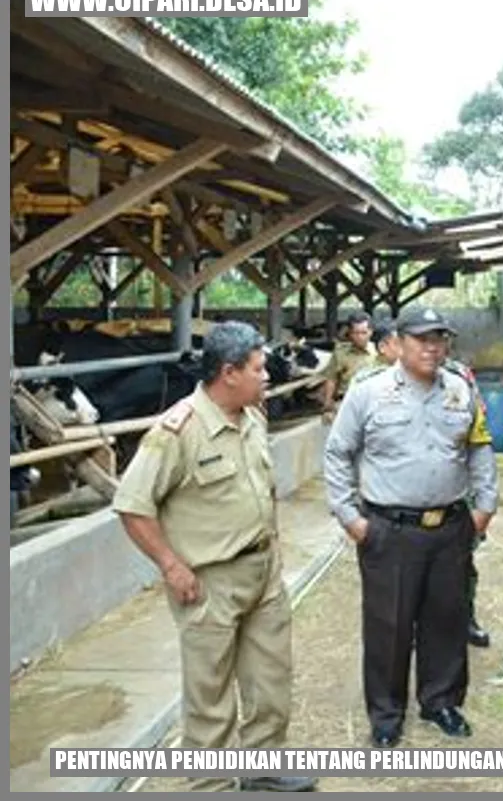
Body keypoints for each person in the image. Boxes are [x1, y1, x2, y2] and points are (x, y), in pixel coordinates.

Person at [112, 322, 316, 792]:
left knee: (271, 678)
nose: (267, 377)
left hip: (262, 571)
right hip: (209, 580)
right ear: (229, 373)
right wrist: (170, 564)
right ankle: (212, 784)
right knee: (210, 691)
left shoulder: (252, 417)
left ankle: (263, 765)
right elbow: (132, 504)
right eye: (259, 368)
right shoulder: (177, 430)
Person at [323, 307, 498, 748]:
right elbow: (338, 453)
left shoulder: (459, 390)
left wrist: (485, 506)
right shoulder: (369, 392)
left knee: (447, 619)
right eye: (422, 339)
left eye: (440, 339)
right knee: (389, 625)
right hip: (389, 530)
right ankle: (386, 715)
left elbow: (479, 449)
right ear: (398, 343)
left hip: (451, 527)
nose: (433, 347)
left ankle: (440, 701)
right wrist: (351, 518)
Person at [440, 347, 494, 649]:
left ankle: (465, 617)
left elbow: (479, 429)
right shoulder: (390, 380)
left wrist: (483, 498)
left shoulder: (460, 375)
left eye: (441, 338)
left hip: (458, 486)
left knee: (463, 558)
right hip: (412, 492)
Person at [320, 311, 377, 421]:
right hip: (346, 403)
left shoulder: (379, 352)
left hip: (373, 404)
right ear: (350, 333)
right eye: (356, 333)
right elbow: (331, 378)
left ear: (371, 332)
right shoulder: (340, 353)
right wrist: (328, 403)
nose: (360, 337)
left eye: (364, 332)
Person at [350, 319, 400, 385]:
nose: (404, 347)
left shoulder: (407, 372)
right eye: (397, 343)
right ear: (382, 347)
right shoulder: (365, 379)